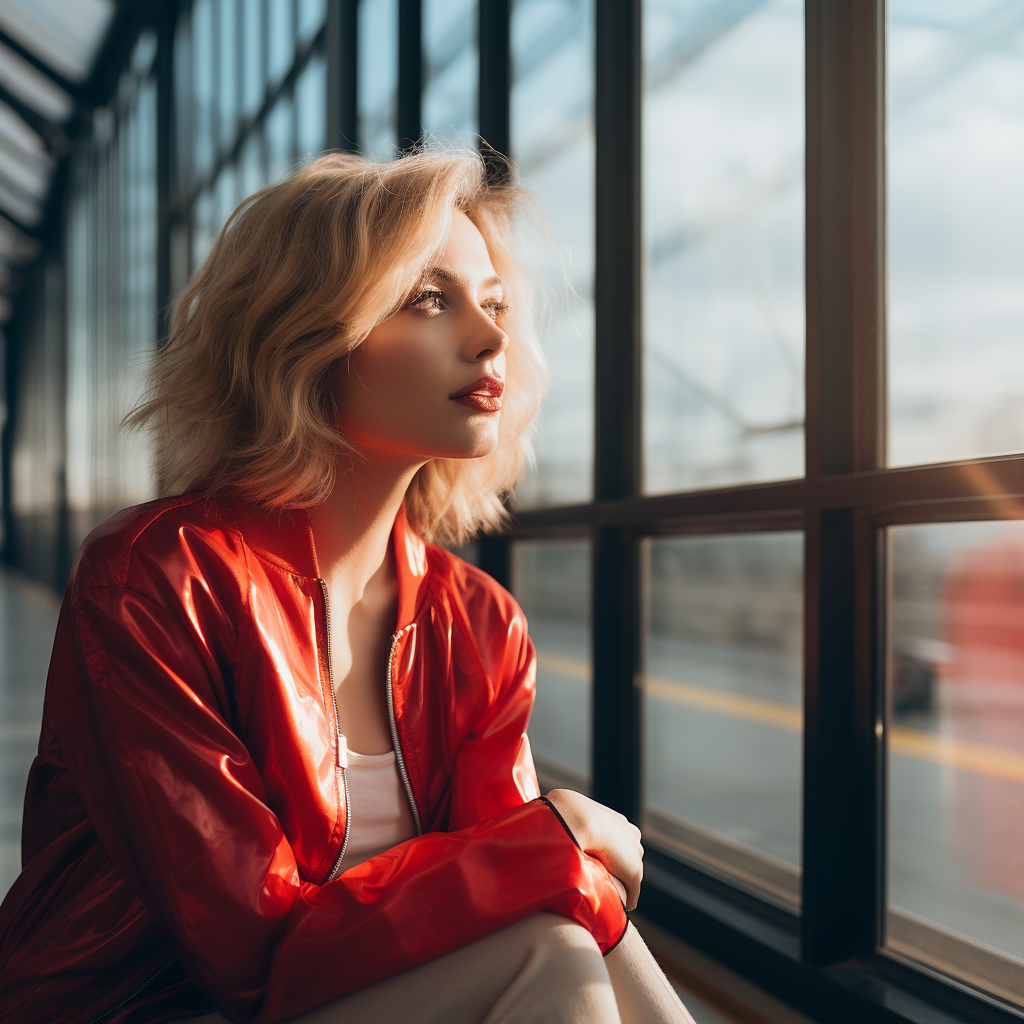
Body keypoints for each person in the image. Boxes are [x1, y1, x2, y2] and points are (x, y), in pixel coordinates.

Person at [0, 150, 695, 1024]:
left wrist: (552, 857)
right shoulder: (156, 579)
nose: (489, 339)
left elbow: (533, 885)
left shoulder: (478, 623)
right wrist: (552, 848)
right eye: (430, 298)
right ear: (308, 330)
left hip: (366, 997)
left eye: (495, 304)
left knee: (551, 933)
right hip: (154, 1004)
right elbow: (249, 951)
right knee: (545, 950)